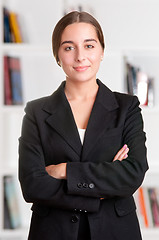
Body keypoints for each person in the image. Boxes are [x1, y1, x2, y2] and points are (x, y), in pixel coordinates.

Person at [18, 11, 148, 240]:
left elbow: (132, 174)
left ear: (101, 51)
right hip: (53, 232)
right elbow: (32, 184)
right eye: (69, 47)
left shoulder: (127, 107)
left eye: (89, 46)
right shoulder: (36, 112)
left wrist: (63, 170)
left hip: (115, 231)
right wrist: (103, 184)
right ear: (57, 55)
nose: (80, 57)